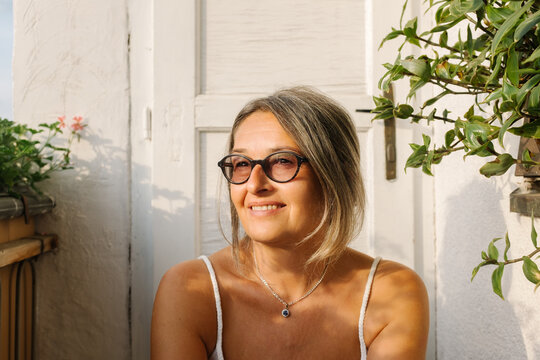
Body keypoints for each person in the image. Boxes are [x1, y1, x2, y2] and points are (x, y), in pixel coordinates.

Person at [151, 86, 429, 359]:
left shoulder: (391, 291)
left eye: (282, 161)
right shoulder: (190, 289)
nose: (254, 184)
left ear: (333, 176)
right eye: (242, 164)